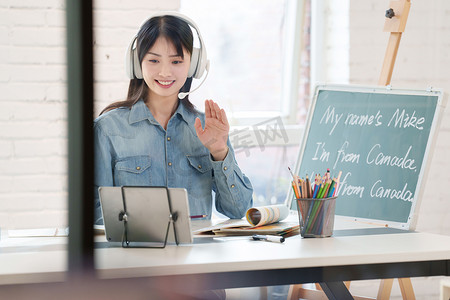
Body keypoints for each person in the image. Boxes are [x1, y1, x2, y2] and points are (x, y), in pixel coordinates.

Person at [94, 12, 253, 226]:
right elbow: (94, 215)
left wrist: (219, 152)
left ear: (193, 65)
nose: (165, 72)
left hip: (196, 257)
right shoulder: (107, 129)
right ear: (136, 63)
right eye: (153, 60)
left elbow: (238, 209)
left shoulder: (208, 128)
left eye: (176, 61)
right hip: (136, 257)